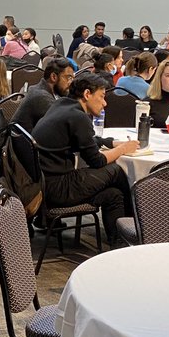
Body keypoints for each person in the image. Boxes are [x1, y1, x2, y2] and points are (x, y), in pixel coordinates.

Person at [31, 73, 138, 242]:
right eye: (102, 97)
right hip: (57, 188)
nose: (105, 103)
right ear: (87, 94)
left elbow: (83, 140)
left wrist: (110, 143)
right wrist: (124, 148)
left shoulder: (61, 105)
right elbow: (97, 161)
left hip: (41, 185)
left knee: (114, 194)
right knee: (117, 171)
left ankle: (118, 242)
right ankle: (137, 226)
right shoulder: (78, 116)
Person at [11, 58, 73, 133]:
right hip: (26, 144)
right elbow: (62, 126)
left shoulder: (46, 90)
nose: (70, 83)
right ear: (53, 77)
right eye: (68, 77)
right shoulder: (41, 97)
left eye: (72, 78)